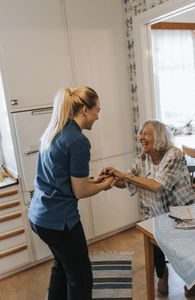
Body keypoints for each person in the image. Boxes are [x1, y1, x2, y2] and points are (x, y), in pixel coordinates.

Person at [28, 87, 116, 300]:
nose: (97, 116)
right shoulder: (78, 140)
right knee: (80, 277)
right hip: (60, 222)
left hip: (39, 216)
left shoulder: (55, 131)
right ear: (85, 110)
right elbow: (80, 191)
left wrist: (95, 181)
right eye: (97, 111)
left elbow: (62, 179)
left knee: (61, 266)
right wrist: (105, 185)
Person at [100, 119, 195, 297]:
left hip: (183, 211)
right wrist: (112, 179)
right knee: (154, 239)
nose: (141, 137)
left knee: (184, 249)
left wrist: (122, 175)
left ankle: (190, 277)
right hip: (155, 214)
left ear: (159, 137)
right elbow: (126, 181)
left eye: (146, 133)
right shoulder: (142, 159)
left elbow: (156, 185)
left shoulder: (173, 155)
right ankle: (162, 273)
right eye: (141, 133)